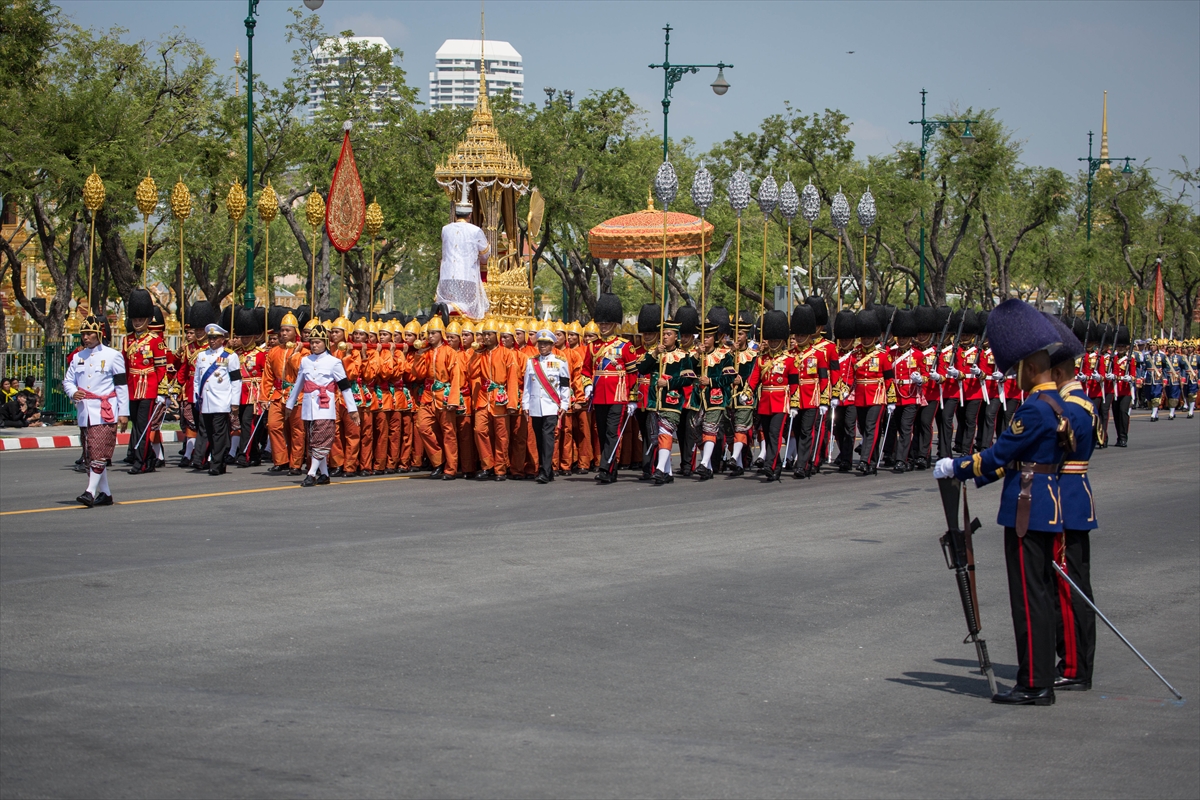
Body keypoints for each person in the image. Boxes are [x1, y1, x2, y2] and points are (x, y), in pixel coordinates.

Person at [933, 298, 1071, 706]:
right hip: (1047, 503)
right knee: (1040, 595)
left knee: (1028, 600)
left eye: (1018, 369)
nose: (1016, 377)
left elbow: (998, 454)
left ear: (1031, 367)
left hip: (1028, 507)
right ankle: (1040, 676)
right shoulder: (1055, 403)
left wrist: (955, 468)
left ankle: (1034, 683)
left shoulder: (1033, 410)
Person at [63, 315, 129, 507]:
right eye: (83, 334)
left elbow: (121, 386)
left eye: (90, 333)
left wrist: (123, 412)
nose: (86, 337)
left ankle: (90, 492)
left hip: (105, 410)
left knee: (99, 451)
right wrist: (73, 392)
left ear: (99, 334)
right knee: (90, 453)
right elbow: (68, 380)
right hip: (85, 412)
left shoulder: (112, 356)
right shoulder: (78, 357)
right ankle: (106, 493)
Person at [286, 323, 359, 486]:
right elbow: (298, 384)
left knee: (321, 439)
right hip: (308, 407)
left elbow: (345, 387)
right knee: (313, 441)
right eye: (312, 342)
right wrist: (289, 404)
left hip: (325, 406)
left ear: (325, 343)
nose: (314, 345)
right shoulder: (305, 361)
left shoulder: (334, 362)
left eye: (318, 342)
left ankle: (311, 473)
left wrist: (352, 409)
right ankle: (324, 474)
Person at [122, 288, 168, 474]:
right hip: (132, 388)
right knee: (136, 424)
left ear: (148, 320)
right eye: (135, 319)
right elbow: (125, 367)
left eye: (141, 319)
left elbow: (161, 368)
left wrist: (160, 391)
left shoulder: (155, 341)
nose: (137, 323)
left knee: (143, 425)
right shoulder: (128, 340)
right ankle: (149, 458)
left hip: (148, 388)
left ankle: (140, 461)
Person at [522, 328, 571, 484]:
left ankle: (545, 470)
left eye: (546, 344)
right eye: (540, 343)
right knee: (539, 439)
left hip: (551, 406)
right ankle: (547, 470)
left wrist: (564, 403)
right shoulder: (531, 362)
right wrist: (525, 404)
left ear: (552, 345)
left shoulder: (560, 362)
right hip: (536, 406)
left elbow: (565, 385)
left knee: (548, 437)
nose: (542, 346)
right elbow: (527, 385)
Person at [192, 322, 242, 477]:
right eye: (210, 338)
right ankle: (219, 462)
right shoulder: (201, 355)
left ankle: (216, 462)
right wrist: (196, 396)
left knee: (219, 433)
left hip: (221, 400)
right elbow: (197, 379)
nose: (212, 340)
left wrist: (234, 402)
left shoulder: (230, 356)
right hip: (205, 401)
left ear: (222, 339)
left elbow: (236, 380)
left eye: (216, 338)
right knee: (209, 432)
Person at [435, 185, 490, 319]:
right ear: (470, 215)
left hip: (446, 277)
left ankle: (446, 308)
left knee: (452, 301)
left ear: (456, 214)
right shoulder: (475, 231)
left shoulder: (445, 229)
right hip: (466, 277)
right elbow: (485, 256)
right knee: (469, 309)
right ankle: (449, 309)